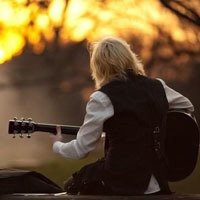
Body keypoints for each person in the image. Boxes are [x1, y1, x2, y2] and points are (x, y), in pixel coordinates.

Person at [50, 37, 194, 195]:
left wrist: (57, 145)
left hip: (121, 180)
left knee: (72, 185)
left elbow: (81, 150)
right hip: (156, 181)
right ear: (129, 58)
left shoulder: (102, 98)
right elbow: (186, 106)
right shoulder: (157, 86)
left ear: (99, 66)